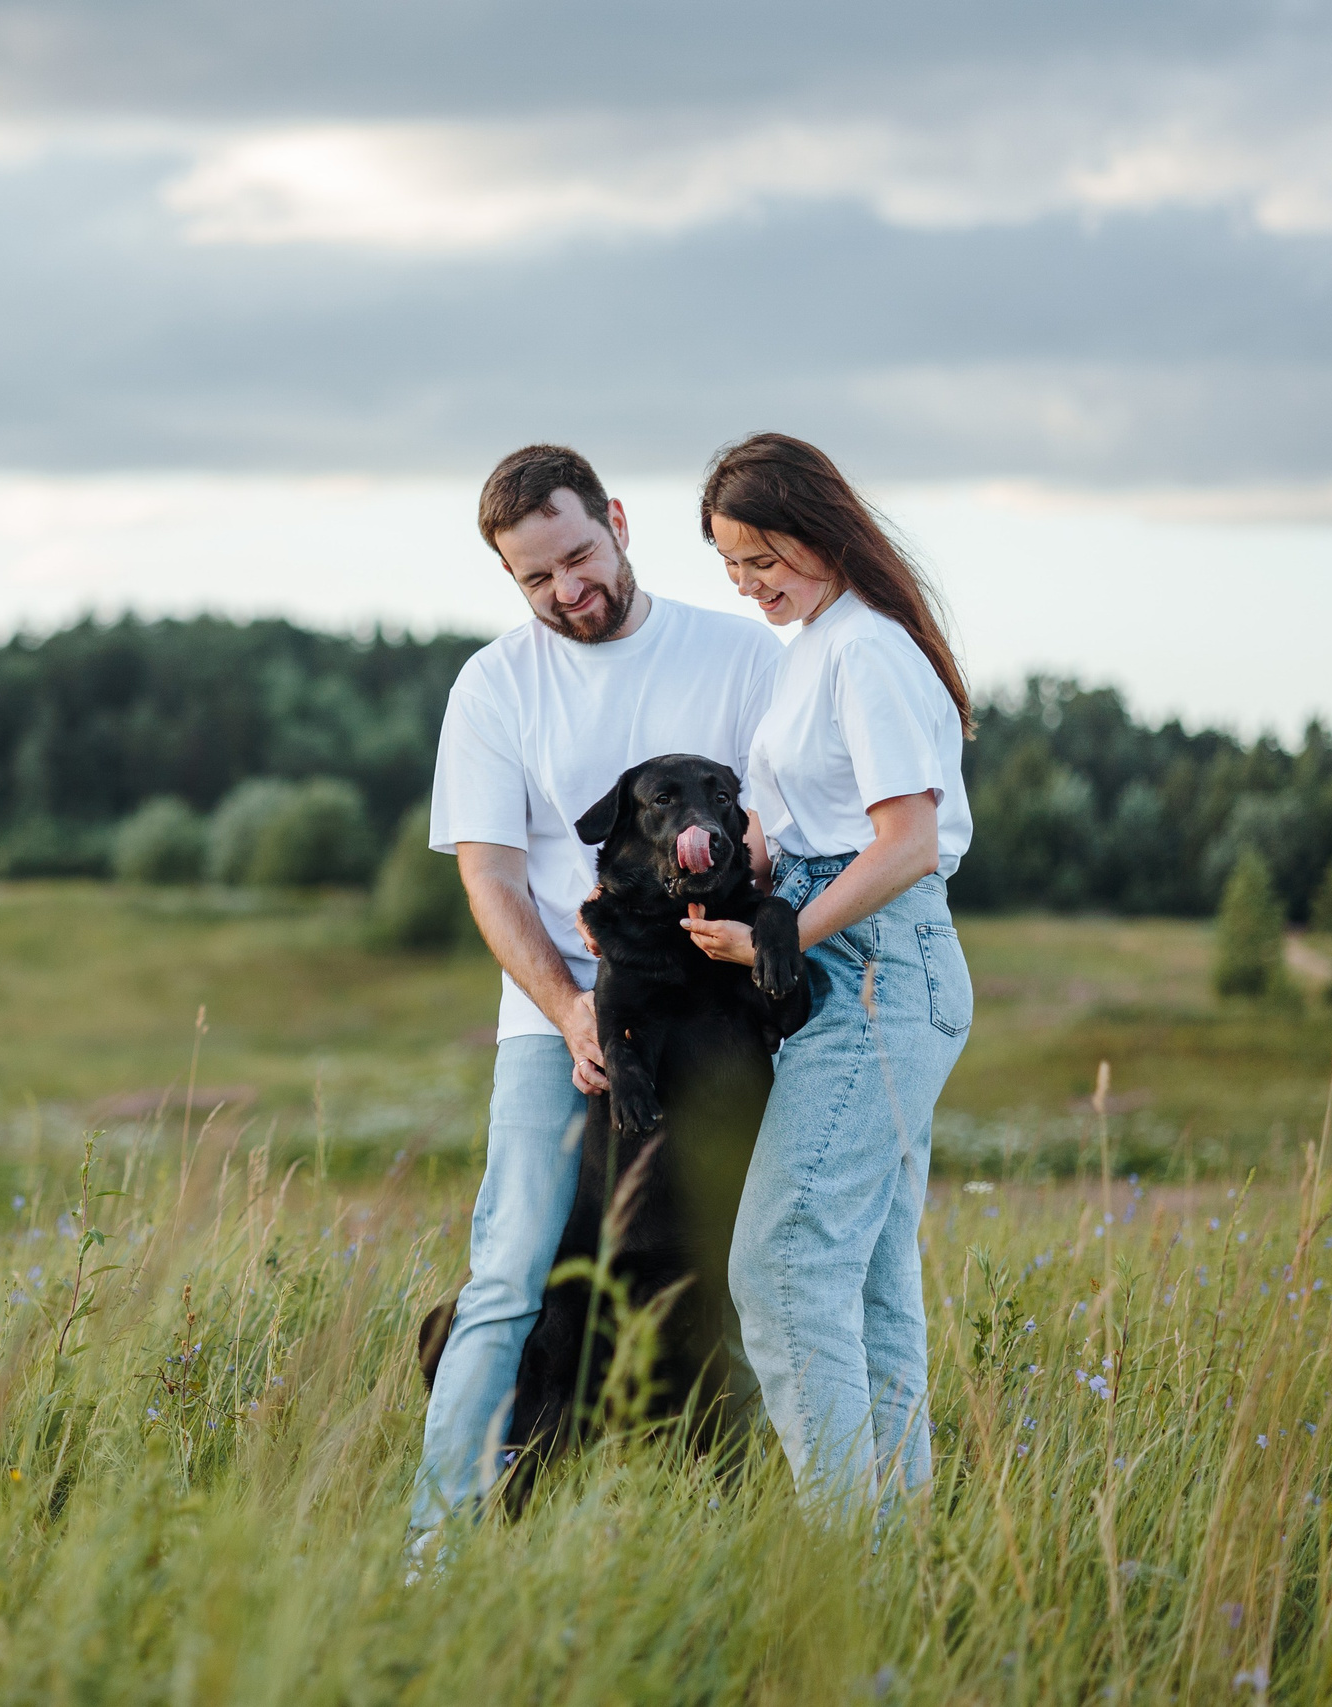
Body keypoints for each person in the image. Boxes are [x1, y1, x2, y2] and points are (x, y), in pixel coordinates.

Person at [407, 444, 782, 1550]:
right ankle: (440, 1544)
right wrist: (573, 1013)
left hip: (720, 1031)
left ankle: (757, 1531)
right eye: (535, 579)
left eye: (577, 556)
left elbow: (788, 828)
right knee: (512, 1270)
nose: (565, 590)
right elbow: (489, 875)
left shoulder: (739, 658)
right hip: (554, 1028)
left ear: (616, 520)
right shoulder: (495, 685)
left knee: (746, 1268)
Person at [677, 432, 975, 1522]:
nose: (749, 585)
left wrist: (779, 936)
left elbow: (903, 842)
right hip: (851, 974)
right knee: (867, 1287)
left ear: (820, 527)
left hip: (873, 977)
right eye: (729, 567)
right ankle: (896, 1566)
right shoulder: (818, 644)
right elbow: (821, 816)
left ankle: (850, 1566)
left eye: (762, 558)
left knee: (785, 1269)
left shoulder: (865, 649)